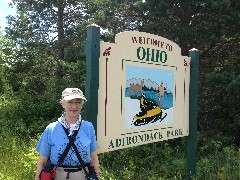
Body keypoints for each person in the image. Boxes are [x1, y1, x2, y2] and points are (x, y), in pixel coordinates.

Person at [35, 88, 100, 180]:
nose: (74, 106)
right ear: (63, 104)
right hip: (57, 176)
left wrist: (97, 176)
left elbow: (93, 159)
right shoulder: (51, 129)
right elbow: (42, 162)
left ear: (82, 104)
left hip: (83, 175)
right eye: (70, 102)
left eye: (78, 102)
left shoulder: (88, 127)